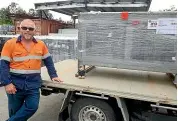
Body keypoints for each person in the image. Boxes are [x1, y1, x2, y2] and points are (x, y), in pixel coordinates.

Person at [0, 19, 62, 121]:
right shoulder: (10, 44)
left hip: (33, 84)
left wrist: (53, 75)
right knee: (15, 112)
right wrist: (7, 83)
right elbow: (3, 65)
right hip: (15, 85)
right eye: (24, 28)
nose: (27, 30)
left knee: (32, 107)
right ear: (19, 29)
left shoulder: (41, 44)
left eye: (30, 28)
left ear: (35, 30)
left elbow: (48, 61)